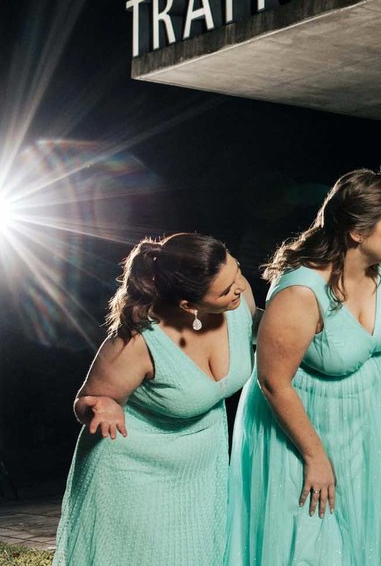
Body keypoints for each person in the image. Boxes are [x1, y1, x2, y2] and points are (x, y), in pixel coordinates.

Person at [228, 169, 381, 566]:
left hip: (363, 425)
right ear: (357, 232)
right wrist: (314, 456)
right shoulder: (301, 291)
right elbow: (273, 381)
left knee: (356, 535)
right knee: (311, 540)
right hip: (305, 428)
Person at [53, 233, 253, 566]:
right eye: (225, 289)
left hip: (200, 469)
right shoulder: (137, 343)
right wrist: (103, 407)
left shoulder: (238, 298)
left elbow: (257, 327)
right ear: (188, 305)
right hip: (133, 472)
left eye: (238, 272)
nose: (239, 288)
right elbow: (87, 399)